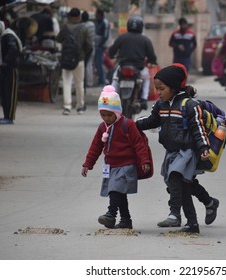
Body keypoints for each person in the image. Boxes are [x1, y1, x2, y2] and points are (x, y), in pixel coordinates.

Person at [136, 63, 217, 234]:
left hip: (188, 152)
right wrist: (131, 124)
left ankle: (176, 215)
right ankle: (207, 205)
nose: (158, 92)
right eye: (156, 88)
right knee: (183, 185)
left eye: (161, 88)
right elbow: (152, 121)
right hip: (172, 152)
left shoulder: (190, 105)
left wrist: (204, 147)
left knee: (176, 180)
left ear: (173, 87)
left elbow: (198, 129)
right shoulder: (160, 105)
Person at [81, 85, 151, 229]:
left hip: (126, 165)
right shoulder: (102, 127)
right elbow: (96, 147)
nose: (106, 118)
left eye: (109, 115)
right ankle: (126, 220)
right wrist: (88, 164)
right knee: (120, 193)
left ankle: (110, 215)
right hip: (112, 167)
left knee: (114, 190)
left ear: (117, 112)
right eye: (103, 115)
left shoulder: (128, 125)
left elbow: (139, 144)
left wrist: (145, 160)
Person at [109, 16, 157, 110]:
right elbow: (151, 56)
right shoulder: (145, 40)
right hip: (139, 68)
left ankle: (111, 98)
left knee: (115, 79)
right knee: (146, 79)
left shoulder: (121, 37)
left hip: (123, 66)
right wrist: (153, 61)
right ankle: (143, 99)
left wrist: (112, 56)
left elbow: (112, 51)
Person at [56, 8, 92, 115]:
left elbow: (58, 39)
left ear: (70, 16)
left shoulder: (65, 27)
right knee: (79, 83)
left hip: (66, 59)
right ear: (79, 17)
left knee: (66, 83)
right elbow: (89, 45)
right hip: (79, 59)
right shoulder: (84, 28)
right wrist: (84, 54)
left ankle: (67, 107)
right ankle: (80, 106)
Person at [0, 20, 22, 125]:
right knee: (4, 94)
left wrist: (6, 61)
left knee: (10, 94)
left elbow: (13, 49)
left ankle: (10, 118)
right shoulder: (3, 36)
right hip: (4, 69)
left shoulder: (8, 36)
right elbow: (2, 53)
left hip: (10, 69)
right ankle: (6, 116)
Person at [94, 8, 110, 87]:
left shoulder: (105, 22)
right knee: (97, 63)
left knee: (99, 63)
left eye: (97, 15)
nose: (96, 17)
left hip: (102, 45)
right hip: (98, 45)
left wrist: (99, 44)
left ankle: (102, 81)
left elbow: (105, 36)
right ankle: (101, 80)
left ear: (100, 15)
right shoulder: (98, 21)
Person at [81, 11, 95, 88]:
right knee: (90, 65)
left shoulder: (82, 26)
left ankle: (84, 82)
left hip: (85, 48)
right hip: (92, 46)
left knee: (84, 65)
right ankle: (90, 82)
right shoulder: (92, 25)